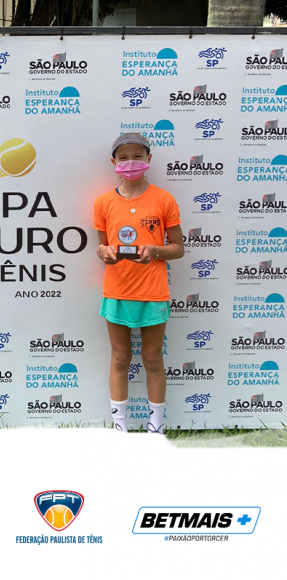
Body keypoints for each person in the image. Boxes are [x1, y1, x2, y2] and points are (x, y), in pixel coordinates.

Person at [93, 133, 184, 434]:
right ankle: (119, 428)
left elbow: (178, 248)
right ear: (114, 162)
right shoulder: (103, 202)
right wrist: (103, 253)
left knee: (152, 358)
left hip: (153, 292)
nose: (130, 162)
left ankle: (155, 428)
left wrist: (155, 251)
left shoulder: (164, 199)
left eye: (137, 156)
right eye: (123, 157)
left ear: (148, 159)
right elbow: (101, 247)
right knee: (120, 358)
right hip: (117, 291)